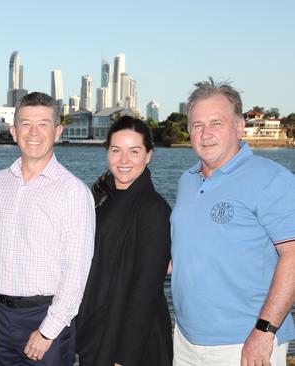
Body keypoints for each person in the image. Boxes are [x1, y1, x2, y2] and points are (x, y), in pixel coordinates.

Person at [171, 78, 295, 366]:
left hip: (244, 343)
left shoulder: (271, 179)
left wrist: (264, 331)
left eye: (216, 123)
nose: (205, 134)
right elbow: (185, 254)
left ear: (239, 127)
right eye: (197, 125)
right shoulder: (186, 180)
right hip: (186, 340)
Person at [0, 92, 95, 365]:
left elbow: (77, 270)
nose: (33, 132)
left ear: (57, 132)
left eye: (43, 124)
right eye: (25, 124)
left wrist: (48, 332)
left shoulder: (73, 192)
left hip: (45, 317)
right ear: (13, 132)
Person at [75, 116, 172, 366]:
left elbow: (146, 290)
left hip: (133, 342)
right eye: (116, 150)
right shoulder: (101, 196)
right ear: (107, 152)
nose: (124, 160)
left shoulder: (153, 209)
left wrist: (124, 358)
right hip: (100, 327)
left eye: (134, 151)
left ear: (148, 155)